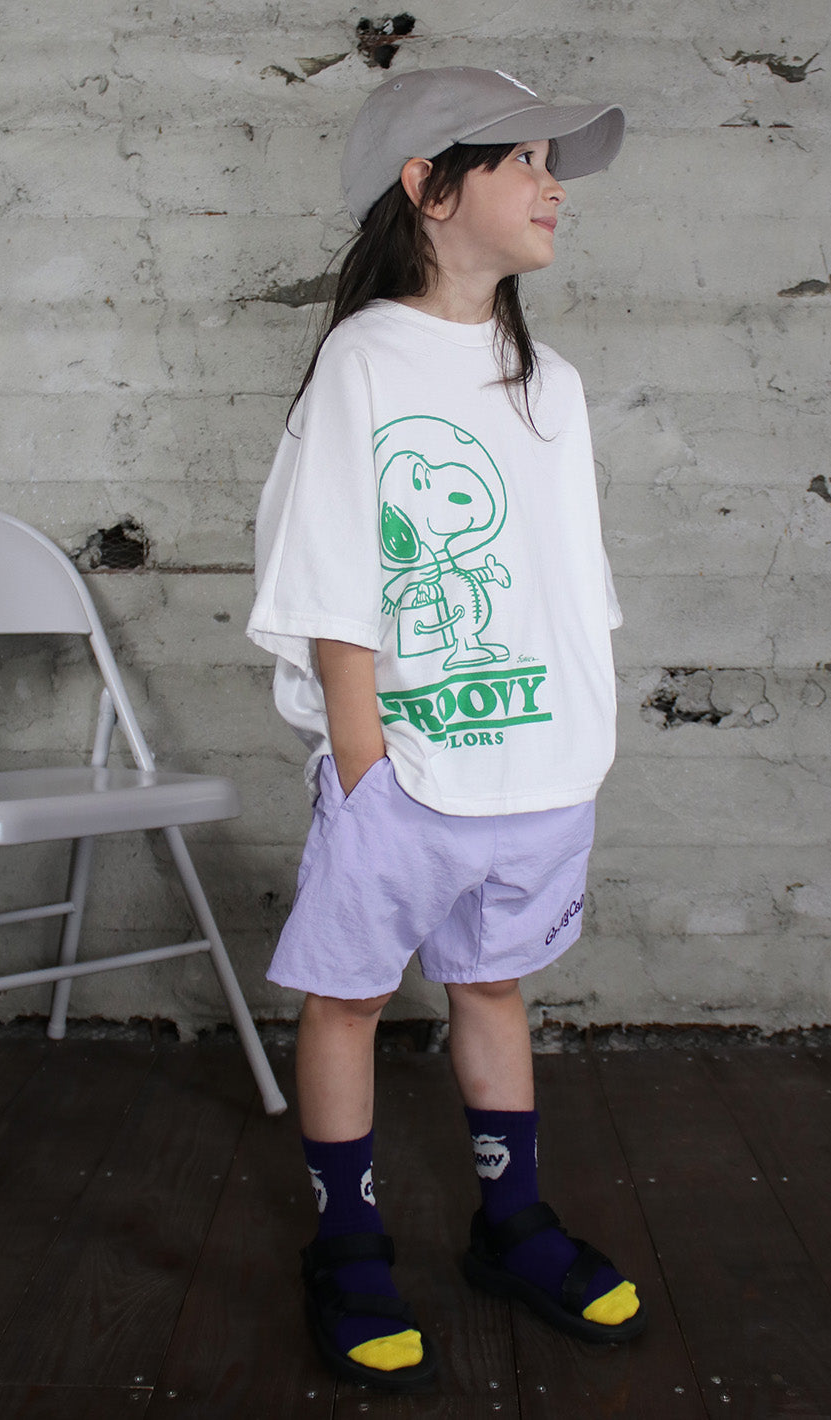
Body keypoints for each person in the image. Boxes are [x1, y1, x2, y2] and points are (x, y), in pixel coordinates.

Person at [246, 65, 641, 1393]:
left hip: (538, 762)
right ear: (427, 186)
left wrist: (579, 740)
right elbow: (328, 570)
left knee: (492, 985)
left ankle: (510, 1225)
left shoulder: (550, 382)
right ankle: (347, 1245)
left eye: (552, 163)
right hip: (404, 767)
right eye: (522, 159)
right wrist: (364, 768)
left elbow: (571, 580)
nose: (551, 185)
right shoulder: (365, 361)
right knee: (351, 997)